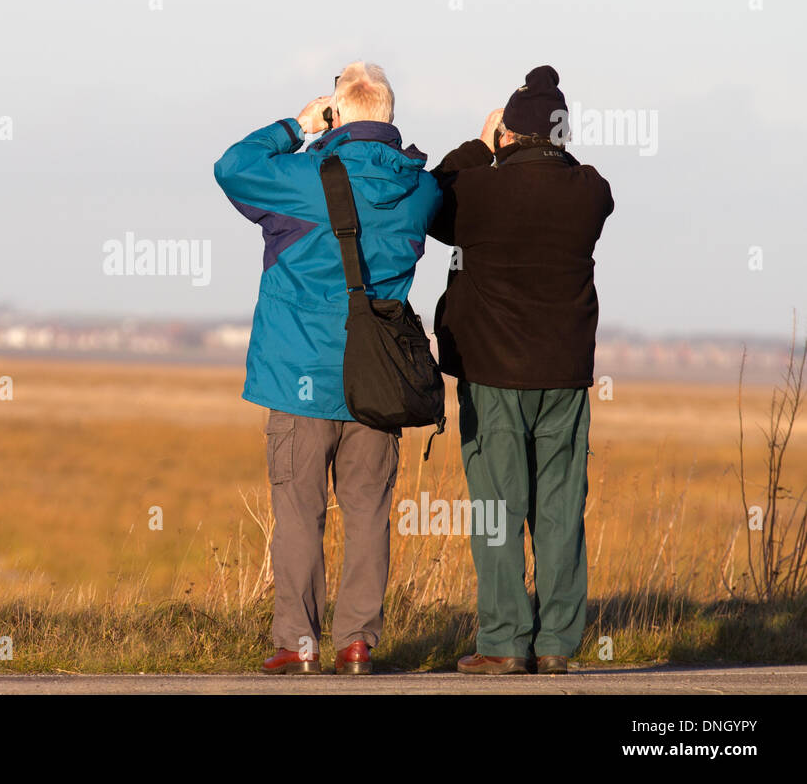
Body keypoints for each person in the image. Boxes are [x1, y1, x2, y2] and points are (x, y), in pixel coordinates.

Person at [213, 62, 441, 674]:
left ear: (337, 113)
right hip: (380, 382)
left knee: (298, 514)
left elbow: (231, 167)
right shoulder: (419, 190)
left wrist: (297, 125)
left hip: (298, 378)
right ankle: (358, 643)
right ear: (389, 117)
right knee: (369, 514)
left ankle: (299, 643)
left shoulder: (303, 179)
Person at [428, 65, 614, 675]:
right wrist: (537, 144)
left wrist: (481, 148)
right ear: (560, 135)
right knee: (561, 508)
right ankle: (558, 643)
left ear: (508, 133)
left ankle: (505, 641)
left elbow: (431, 200)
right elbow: (576, 177)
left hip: (492, 375)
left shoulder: (477, 192)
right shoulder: (589, 191)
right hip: (564, 377)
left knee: (498, 507)